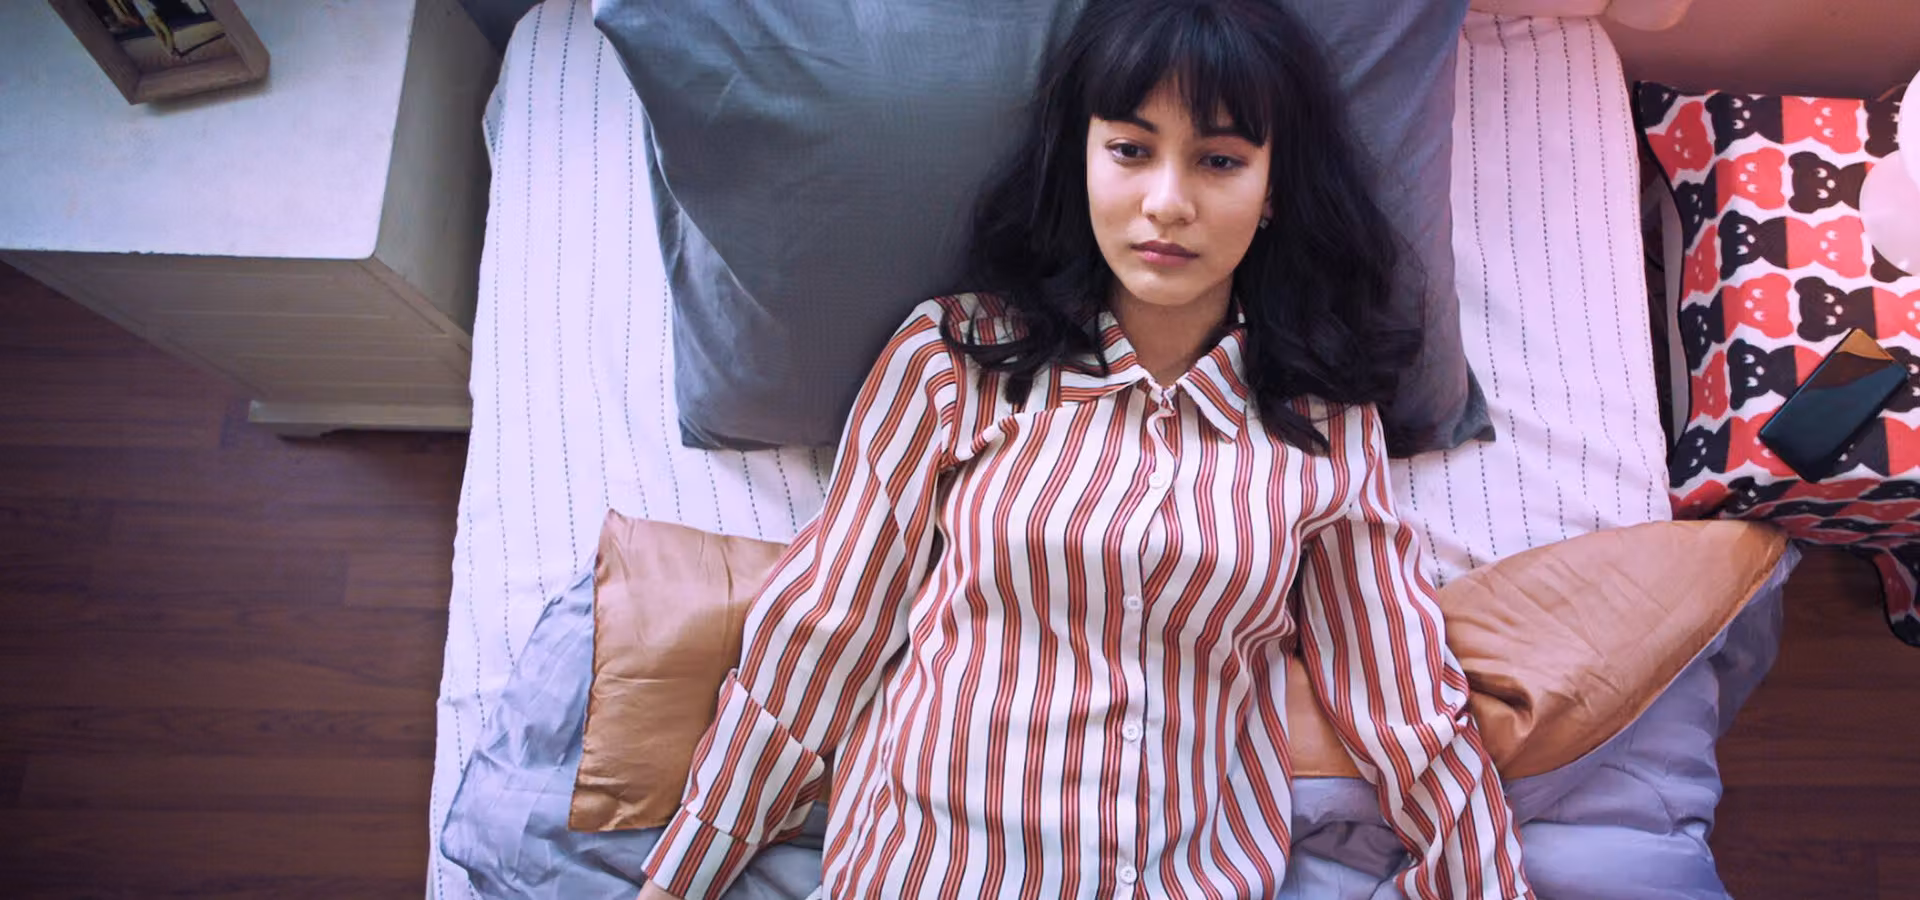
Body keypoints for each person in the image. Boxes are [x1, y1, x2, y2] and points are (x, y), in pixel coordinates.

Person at [639, 1, 1531, 897]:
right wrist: (682, 878)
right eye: (1132, 150)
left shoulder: (1325, 430)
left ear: (1273, 191)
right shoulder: (955, 360)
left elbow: (1402, 699)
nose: (1168, 202)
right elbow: (822, 633)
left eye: (1220, 160)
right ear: (1082, 157)